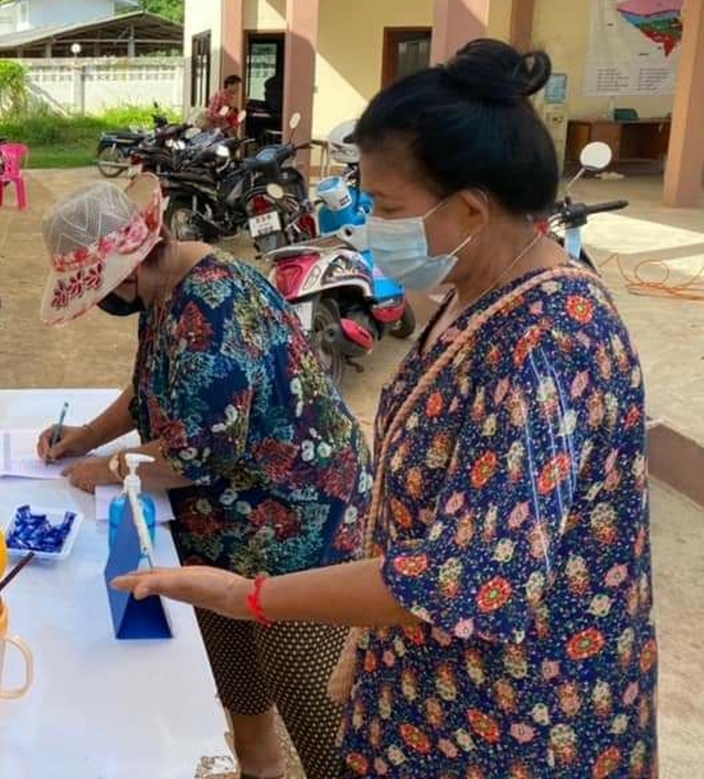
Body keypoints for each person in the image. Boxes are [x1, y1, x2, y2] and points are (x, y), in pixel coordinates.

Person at [114, 39, 657, 778]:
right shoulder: (475, 296)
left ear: (470, 206)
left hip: (516, 727)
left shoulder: (551, 340)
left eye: (387, 206)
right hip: (426, 692)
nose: (370, 223)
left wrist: (251, 597)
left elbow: (474, 577)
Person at [37, 174, 371, 779]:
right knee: (241, 691)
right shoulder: (165, 291)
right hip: (223, 532)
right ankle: (257, 768)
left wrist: (108, 468)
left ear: (133, 267)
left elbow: (197, 456)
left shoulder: (212, 310)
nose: (110, 303)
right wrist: (84, 437)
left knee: (322, 727)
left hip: (295, 533)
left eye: (108, 289)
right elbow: (148, 390)